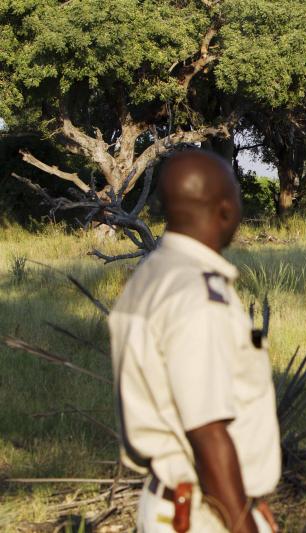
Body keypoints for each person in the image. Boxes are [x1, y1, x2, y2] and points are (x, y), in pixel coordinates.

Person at [109, 150, 281, 532]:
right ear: (225, 210)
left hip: (174, 500)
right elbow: (208, 433)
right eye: (237, 193)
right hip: (205, 512)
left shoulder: (153, 276)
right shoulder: (198, 298)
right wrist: (242, 522)